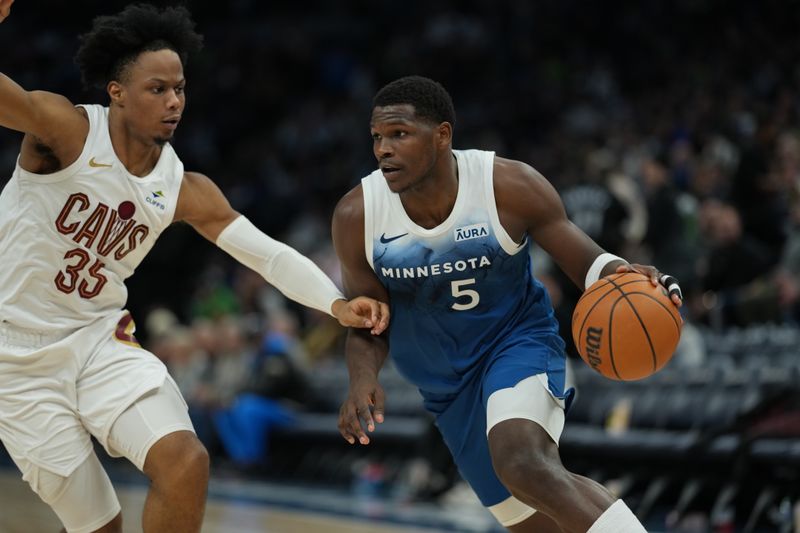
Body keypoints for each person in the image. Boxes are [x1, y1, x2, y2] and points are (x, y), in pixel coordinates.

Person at [0, 3, 389, 533]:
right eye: (157, 88)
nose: (174, 101)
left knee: (186, 461)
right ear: (116, 91)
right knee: (99, 526)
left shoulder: (182, 187)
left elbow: (266, 253)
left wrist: (337, 304)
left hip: (98, 341)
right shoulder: (64, 130)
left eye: (180, 88)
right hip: (13, 359)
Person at [332, 75, 683, 533]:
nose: (383, 149)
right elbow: (367, 320)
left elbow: (588, 263)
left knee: (522, 463)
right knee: (536, 519)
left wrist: (628, 276)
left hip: (516, 346)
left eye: (399, 134)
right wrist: (361, 379)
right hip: (445, 389)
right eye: (377, 137)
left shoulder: (507, 186)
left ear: (442, 136)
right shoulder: (357, 215)